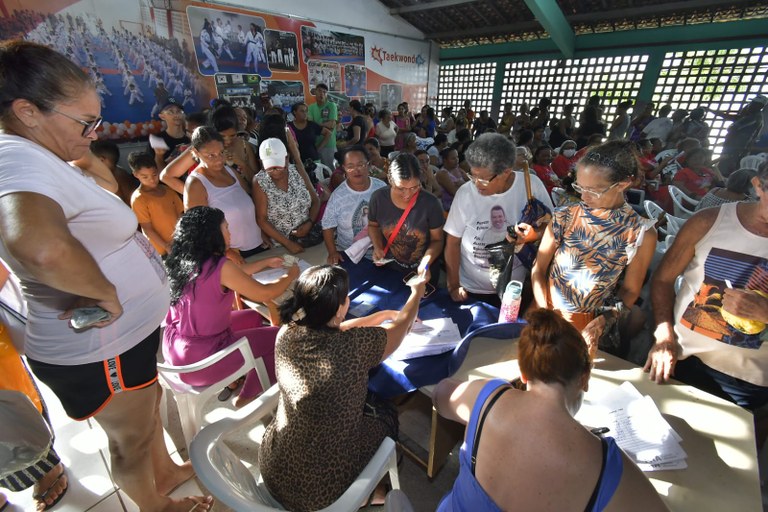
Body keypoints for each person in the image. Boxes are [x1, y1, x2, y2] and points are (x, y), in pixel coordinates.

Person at [0, 41, 212, 511]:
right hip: (103, 346)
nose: (95, 133)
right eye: (85, 123)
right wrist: (107, 295)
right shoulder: (12, 158)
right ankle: (157, 507)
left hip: (124, 341)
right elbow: (39, 245)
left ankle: (168, 471)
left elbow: (85, 212)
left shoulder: (38, 154)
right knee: (128, 442)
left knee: (146, 410)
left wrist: (88, 163)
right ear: (27, 111)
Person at [434, 309, 669, 512]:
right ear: (584, 379)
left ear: (523, 374)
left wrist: (495, 390)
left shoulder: (487, 398)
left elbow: (441, 394)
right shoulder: (607, 465)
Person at [259, 264, 427, 511]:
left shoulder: (287, 331)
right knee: (385, 414)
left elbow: (333, 328)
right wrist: (416, 294)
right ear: (340, 307)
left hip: (276, 466)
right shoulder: (354, 348)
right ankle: (371, 492)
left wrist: (377, 317)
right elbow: (400, 330)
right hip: (320, 491)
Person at [644, 163, 768, 428]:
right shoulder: (710, 221)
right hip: (681, 358)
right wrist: (664, 336)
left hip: (750, 381)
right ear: (758, 186)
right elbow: (664, 279)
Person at [163, 207, 299, 407]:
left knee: (253, 318)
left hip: (176, 350)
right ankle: (248, 396)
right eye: (226, 227)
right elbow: (265, 293)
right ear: (213, 234)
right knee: (281, 339)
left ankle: (248, 369)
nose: (230, 232)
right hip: (201, 362)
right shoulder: (220, 265)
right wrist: (292, 274)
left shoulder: (183, 261)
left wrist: (266, 262)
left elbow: (233, 273)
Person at [531, 141, 656, 357]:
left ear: (623, 184)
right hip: (547, 310)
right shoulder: (566, 216)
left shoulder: (639, 231)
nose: (584, 197)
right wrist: (544, 311)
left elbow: (630, 291)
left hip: (590, 324)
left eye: (594, 191)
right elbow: (539, 269)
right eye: (580, 187)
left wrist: (604, 320)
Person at [445, 133, 553, 305]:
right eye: (472, 176)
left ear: (506, 172)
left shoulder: (531, 185)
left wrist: (535, 234)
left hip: (513, 288)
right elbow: (452, 242)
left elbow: (552, 226)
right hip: (471, 288)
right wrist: (453, 285)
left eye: (483, 179)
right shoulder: (465, 193)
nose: (476, 185)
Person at [184, 126, 264, 262]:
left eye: (221, 152)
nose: (219, 160)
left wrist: (263, 233)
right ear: (195, 152)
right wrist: (228, 253)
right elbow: (199, 231)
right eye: (211, 156)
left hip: (259, 246)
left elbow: (250, 200)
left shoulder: (230, 171)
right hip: (233, 257)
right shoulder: (196, 184)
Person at [369, 153, 445, 280]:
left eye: (414, 187)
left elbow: (437, 240)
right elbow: (373, 225)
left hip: (423, 272)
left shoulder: (431, 203)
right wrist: (377, 247)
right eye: (401, 188)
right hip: (391, 269)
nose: (407, 194)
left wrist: (426, 264)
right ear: (389, 179)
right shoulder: (378, 198)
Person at [253, 138, 320, 254]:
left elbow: (316, 201)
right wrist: (288, 244)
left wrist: (309, 223)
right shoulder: (260, 181)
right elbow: (261, 219)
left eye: (279, 166)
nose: (275, 171)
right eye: (270, 168)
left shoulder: (298, 170)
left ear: (287, 158)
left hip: (310, 239)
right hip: (282, 246)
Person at [322, 145, 387, 264]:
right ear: (344, 168)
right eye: (350, 166)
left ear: (369, 164)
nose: (356, 170)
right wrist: (332, 252)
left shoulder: (381, 188)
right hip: (349, 252)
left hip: (381, 249)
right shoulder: (338, 196)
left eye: (361, 165)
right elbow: (327, 226)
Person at [128, 151, 183, 257]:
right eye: (145, 177)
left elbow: (180, 215)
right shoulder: (139, 199)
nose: (152, 180)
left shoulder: (168, 190)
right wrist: (167, 246)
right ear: (136, 175)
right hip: (160, 249)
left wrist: (182, 237)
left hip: (179, 242)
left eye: (154, 174)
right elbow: (147, 228)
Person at [710, 95, 767, 175]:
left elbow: (733, 127)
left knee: (725, 169)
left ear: (759, 106)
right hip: (736, 148)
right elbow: (732, 118)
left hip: (737, 149)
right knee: (726, 166)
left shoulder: (754, 117)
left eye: (753, 103)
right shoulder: (751, 116)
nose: (749, 105)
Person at [89, 139, 139, 205]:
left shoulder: (113, 177)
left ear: (101, 160)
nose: (89, 163)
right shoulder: (118, 170)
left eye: (91, 159)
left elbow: (124, 203)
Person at [151, 98, 189, 171]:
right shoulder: (158, 140)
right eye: (170, 112)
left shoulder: (191, 137)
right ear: (162, 116)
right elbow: (153, 172)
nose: (176, 115)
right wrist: (159, 156)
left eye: (179, 111)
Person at [307, 83, 338, 169]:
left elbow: (331, 125)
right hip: (315, 144)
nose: (322, 94)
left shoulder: (332, 106)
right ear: (315, 92)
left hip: (329, 145)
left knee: (331, 170)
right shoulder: (311, 107)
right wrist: (323, 125)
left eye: (324, 92)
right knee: (319, 171)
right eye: (320, 91)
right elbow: (310, 124)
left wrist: (316, 125)